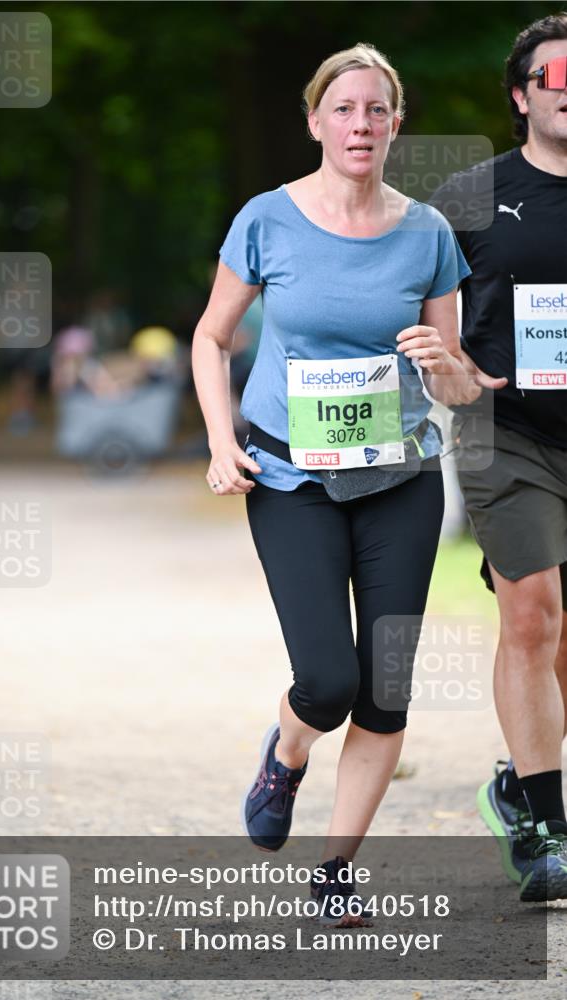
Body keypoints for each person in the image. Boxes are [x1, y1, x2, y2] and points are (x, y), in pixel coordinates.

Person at [192, 44, 491, 923]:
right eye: (344, 109)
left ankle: (333, 873)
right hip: (290, 476)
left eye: (376, 110)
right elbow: (211, 338)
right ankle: (285, 755)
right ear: (316, 120)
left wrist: (448, 366)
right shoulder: (266, 220)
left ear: (395, 124)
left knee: (384, 689)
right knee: (326, 681)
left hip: (399, 480)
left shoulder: (428, 233)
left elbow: (457, 383)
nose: (360, 125)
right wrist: (219, 442)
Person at [431, 12, 567, 902]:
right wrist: (451, 373)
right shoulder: (470, 196)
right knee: (532, 616)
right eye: (555, 76)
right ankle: (543, 831)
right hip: (503, 431)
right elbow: (413, 306)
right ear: (521, 96)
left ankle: (520, 782)